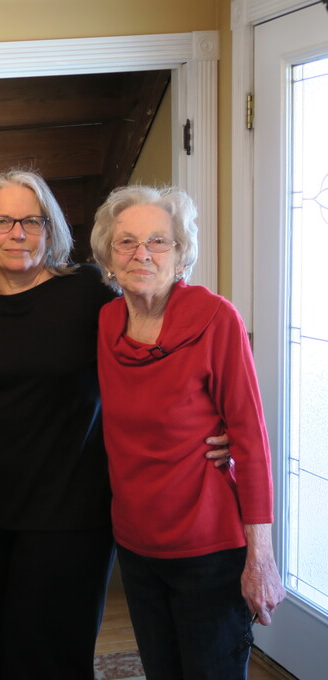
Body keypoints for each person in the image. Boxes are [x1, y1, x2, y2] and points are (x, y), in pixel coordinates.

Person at [90, 185, 286, 679]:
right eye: (126, 242)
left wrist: (261, 557)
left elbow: (252, 442)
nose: (142, 254)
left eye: (159, 241)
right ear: (108, 257)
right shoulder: (106, 321)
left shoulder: (216, 319)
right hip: (136, 547)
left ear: (180, 254)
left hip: (209, 550)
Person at [0, 169, 117, 679]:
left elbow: (150, 351)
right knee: (3, 653)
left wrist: (203, 415)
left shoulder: (89, 291)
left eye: (32, 220)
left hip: (72, 507)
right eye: (2, 221)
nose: (18, 233)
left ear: (51, 229)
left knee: (53, 656)